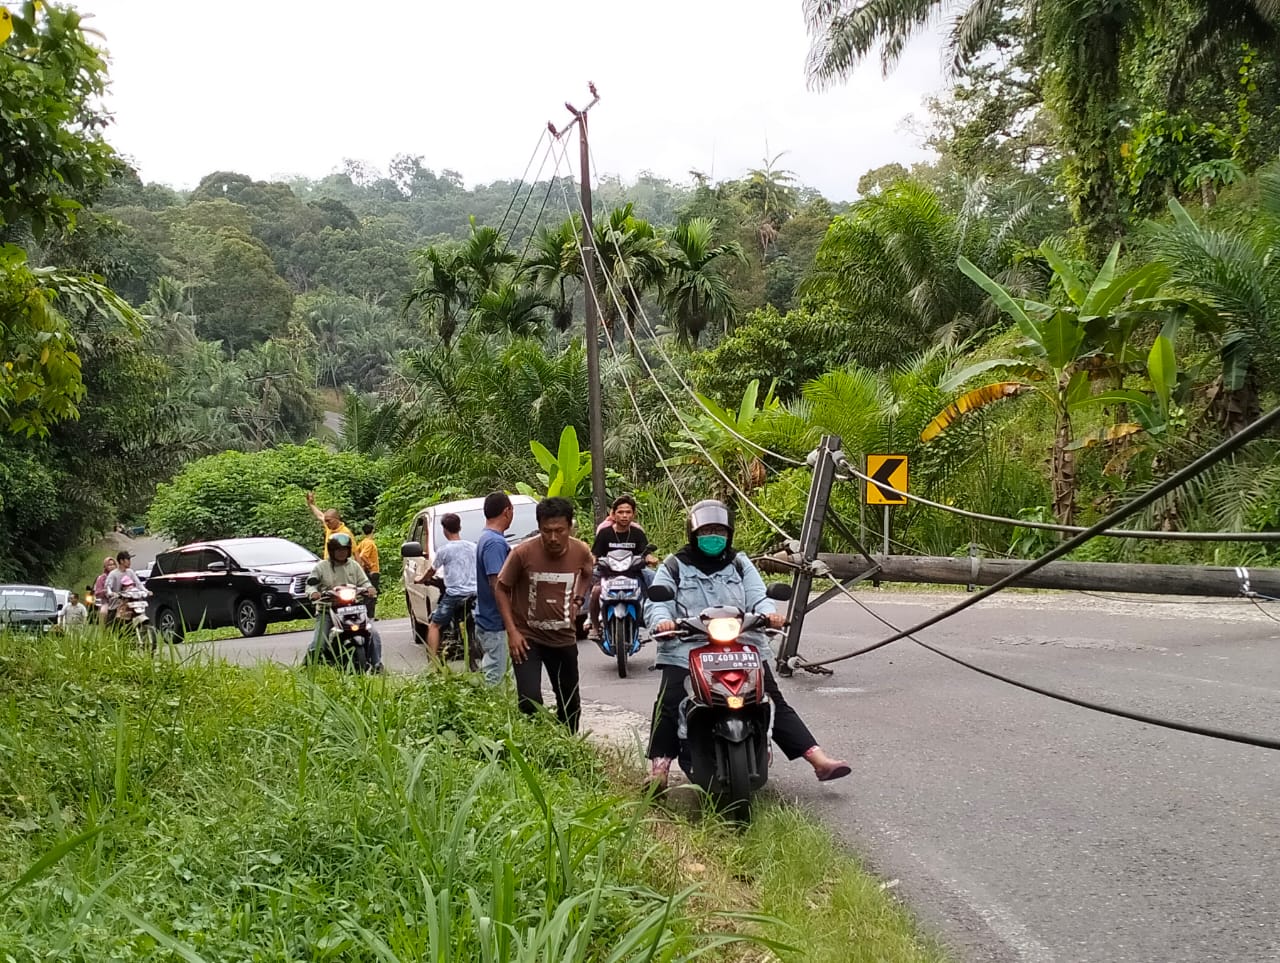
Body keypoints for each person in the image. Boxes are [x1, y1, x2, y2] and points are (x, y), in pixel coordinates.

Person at [644, 499, 851, 791]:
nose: (713, 536)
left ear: (729, 534)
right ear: (693, 533)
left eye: (719, 530)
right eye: (706, 531)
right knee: (671, 700)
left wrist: (770, 615)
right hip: (686, 646)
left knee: (769, 696)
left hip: (740, 641)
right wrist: (664, 622)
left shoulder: (739, 563)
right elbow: (658, 604)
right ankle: (660, 770)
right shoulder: (675, 565)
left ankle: (818, 759)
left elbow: (758, 596)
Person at [495, 497, 594, 732]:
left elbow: (588, 571)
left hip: (563, 639)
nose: (552, 538)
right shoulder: (522, 553)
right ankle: (537, 748)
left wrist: (578, 600)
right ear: (539, 527)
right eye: (546, 531)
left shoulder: (580, 550)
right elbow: (501, 588)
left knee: (570, 703)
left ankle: (567, 748)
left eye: (559, 531)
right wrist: (512, 632)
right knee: (528, 701)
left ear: (570, 527)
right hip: (528, 639)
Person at [305, 531, 383, 671]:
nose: (341, 553)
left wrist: (369, 589)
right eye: (338, 550)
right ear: (332, 551)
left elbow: (364, 582)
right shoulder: (321, 567)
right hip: (328, 610)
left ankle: (377, 664)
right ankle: (308, 667)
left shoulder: (354, 565)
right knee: (319, 643)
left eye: (344, 550)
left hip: (353, 608)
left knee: (373, 633)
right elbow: (310, 584)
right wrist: (314, 593)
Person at [588, 493, 659, 640]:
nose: (624, 516)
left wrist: (650, 558)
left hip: (632, 573)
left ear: (633, 514)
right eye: (620, 512)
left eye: (628, 512)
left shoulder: (638, 533)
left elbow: (644, 552)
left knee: (655, 584)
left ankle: (654, 619)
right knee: (594, 591)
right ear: (613, 514)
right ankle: (593, 625)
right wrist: (590, 561)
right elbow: (595, 554)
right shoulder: (605, 533)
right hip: (608, 573)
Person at [416, 512, 478, 664]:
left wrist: (421, 579)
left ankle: (433, 663)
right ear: (460, 527)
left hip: (454, 595)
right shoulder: (473, 547)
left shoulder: (444, 550)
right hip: (475, 594)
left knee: (434, 625)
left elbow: (432, 571)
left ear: (444, 530)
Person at [473, 492, 514, 687]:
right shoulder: (495, 542)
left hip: (487, 616)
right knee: (497, 674)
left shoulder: (485, 538)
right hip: (495, 621)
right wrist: (510, 621)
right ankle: (494, 713)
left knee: (500, 670)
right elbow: (497, 583)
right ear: (507, 511)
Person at [305, 491, 354, 559]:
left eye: (329, 521)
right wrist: (311, 504)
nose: (327, 523)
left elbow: (354, 551)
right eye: (326, 521)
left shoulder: (345, 532)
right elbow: (320, 515)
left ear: (337, 519)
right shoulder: (329, 527)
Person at [103, 550, 142, 627]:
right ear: (121, 561)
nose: (130, 562)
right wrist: (111, 593)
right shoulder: (113, 574)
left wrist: (146, 591)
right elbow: (108, 586)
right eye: (128, 559)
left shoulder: (130, 572)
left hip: (130, 602)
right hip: (116, 604)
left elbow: (138, 583)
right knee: (113, 625)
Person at [354, 522, 381, 619]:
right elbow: (363, 555)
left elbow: (356, 553)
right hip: (372, 571)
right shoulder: (369, 543)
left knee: (367, 594)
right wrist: (370, 565)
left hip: (366, 571)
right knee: (372, 594)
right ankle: (370, 615)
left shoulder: (362, 542)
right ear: (373, 530)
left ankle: (367, 614)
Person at [93, 556, 116, 625]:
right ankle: (102, 631)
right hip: (107, 602)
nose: (112, 566)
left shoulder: (119, 575)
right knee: (103, 612)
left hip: (120, 600)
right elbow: (97, 593)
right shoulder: (102, 578)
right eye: (109, 565)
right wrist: (106, 591)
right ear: (105, 566)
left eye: (113, 564)